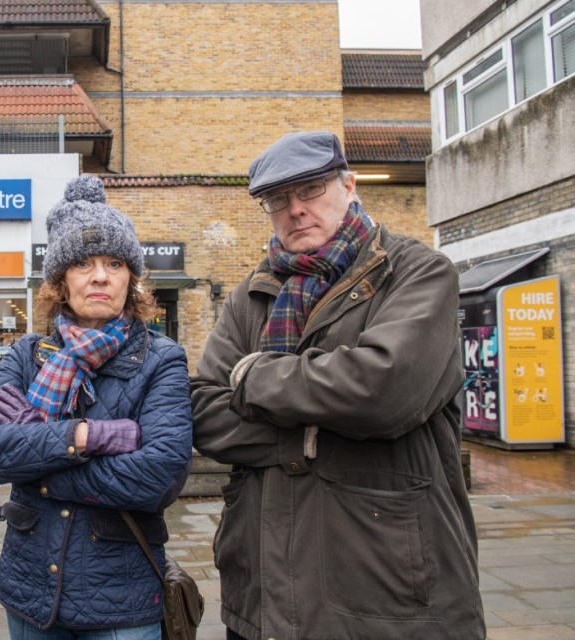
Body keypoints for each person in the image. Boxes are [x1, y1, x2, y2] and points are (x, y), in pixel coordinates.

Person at [190, 131, 485, 640]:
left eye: (310, 191)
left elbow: (383, 391)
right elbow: (204, 411)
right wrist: (315, 430)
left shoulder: (417, 273)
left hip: (387, 590)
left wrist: (253, 375)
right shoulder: (251, 296)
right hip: (262, 595)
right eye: (277, 200)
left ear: (349, 186)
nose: (295, 210)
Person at [0, 175, 194, 639]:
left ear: (131, 278)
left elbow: (159, 478)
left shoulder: (161, 358)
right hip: (30, 592)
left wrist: (35, 456)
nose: (100, 276)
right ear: (60, 281)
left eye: (115, 262)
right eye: (83, 263)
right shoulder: (28, 356)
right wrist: (82, 437)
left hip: (121, 598)